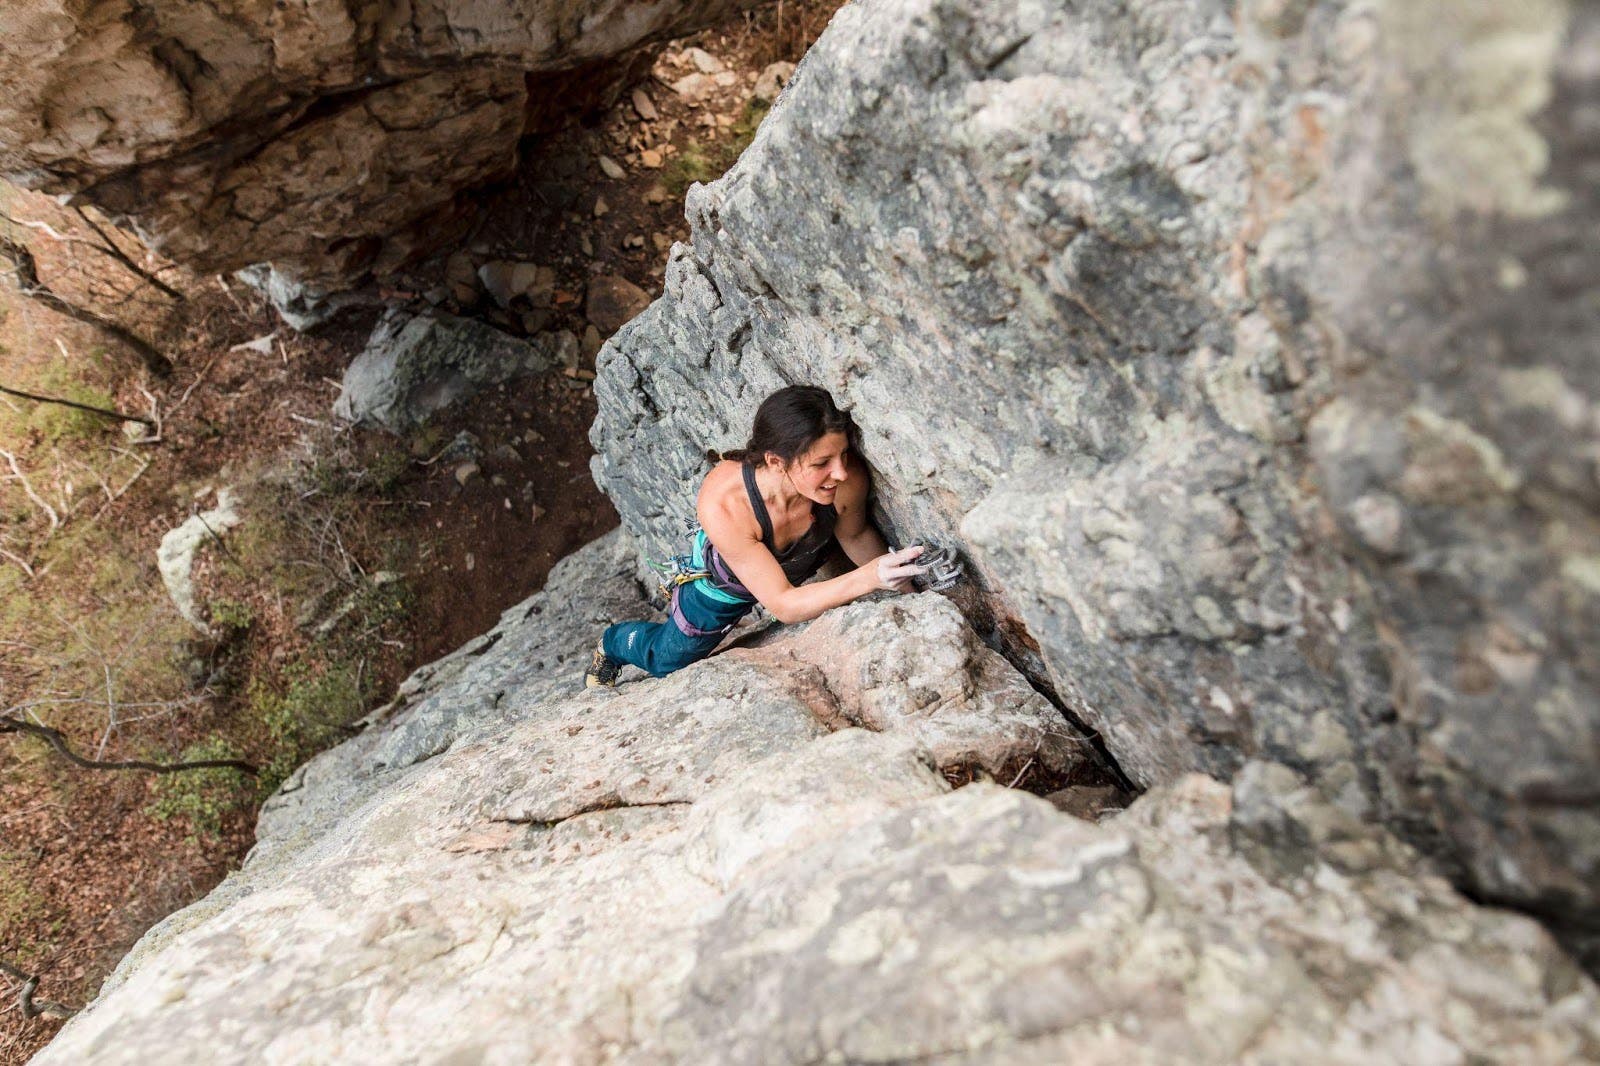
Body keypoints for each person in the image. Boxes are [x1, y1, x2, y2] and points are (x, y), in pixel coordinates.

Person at [585, 385, 926, 687]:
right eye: (821, 463)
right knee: (668, 659)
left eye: (843, 455)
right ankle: (613, 643)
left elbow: (855, 535)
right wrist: (871, 576)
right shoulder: (725, 506)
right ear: (777, 462)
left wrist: (910, 592)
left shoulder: (842, 480)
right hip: (727, 582)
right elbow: (784, 604)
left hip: (805, 554)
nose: (839, 472)